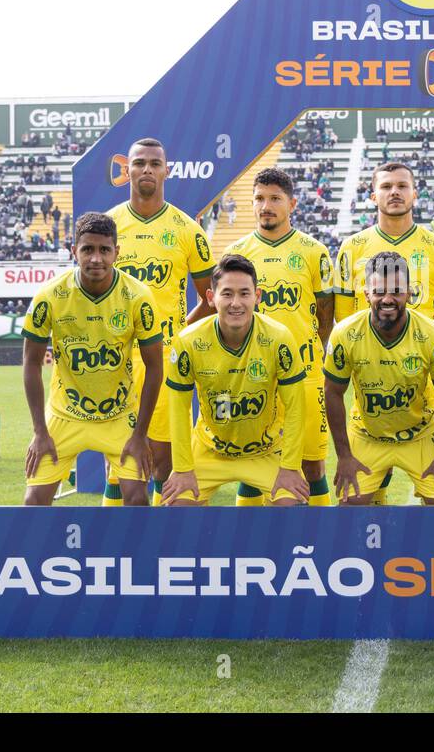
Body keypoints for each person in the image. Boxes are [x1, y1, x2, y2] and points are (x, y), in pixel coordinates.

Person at [334, 160, 434, 502]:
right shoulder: (351, 249)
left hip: (420, 379)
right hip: (371, 380)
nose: (394, 192)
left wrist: (423, 354)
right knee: (366, 492)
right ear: (372, 195)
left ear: (414, 193)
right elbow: (345, 316)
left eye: (401, 186)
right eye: (386, 186)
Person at [22, 213, 161, 507]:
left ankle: (128, 554)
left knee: (137, 500)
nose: (96, 258)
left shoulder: (137, 296)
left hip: (120, 416)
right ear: (75, 251)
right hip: (64, 415)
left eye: (104, 250)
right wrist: (39, 431)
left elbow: (155, 367)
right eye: (87, 249)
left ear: (116, 253)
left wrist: (140, 434)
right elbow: (31, 363)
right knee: (33, 502)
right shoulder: (50, 296)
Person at [106, 138, 215, 506]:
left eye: (155, 163)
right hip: (116, 357)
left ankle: (157, 545)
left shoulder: (188, 230)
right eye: (139, 163)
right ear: (128, 170)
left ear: (167, 170)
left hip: (166, 360)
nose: (147, 169)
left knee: (163, 460)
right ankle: (117, 545)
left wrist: (179, 331)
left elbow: (211, 299)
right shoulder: (109, 226)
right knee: (119, 459)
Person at [221, 168, 335, 506]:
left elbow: (325, 315)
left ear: (292, 204)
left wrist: (308, 353)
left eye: (274, 199)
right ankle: (253, 546)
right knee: (251, 464)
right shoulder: (236, 253)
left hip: (305, 375)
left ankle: (320, 540)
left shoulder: (315, 252)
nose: (265, 205)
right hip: (253, 376)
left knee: (312, 465)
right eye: (259, 198)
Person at [162, 255, 307, 506]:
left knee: (292, 508)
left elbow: (296, 407)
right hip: (209, 450)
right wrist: (183, 468)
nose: (236, 303)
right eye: (227, 294)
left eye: (244, 294)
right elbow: (178, 408)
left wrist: (291, 467)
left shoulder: (279, 338)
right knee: (178, 509)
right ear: (210, 298)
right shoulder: (188, 341)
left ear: (257, 296)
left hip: (267, 451)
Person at [325, 251, 434, 504]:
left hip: (420, 434)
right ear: (366, 294)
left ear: (409, 293)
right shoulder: (345, 333)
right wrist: (344, 456)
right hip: (368, 435)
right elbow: (333, 393)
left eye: (397, 291)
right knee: (349, 507)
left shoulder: (432, 333)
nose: (388, 299)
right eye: (379, 292)